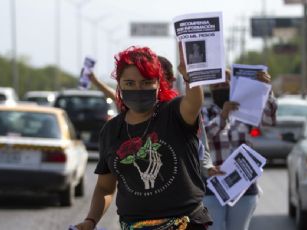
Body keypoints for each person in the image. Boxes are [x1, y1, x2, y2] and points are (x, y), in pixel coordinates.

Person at [72, 46, 212, 230]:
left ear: (158, 83)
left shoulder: (174, 113)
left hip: (185, 224)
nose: (138, 89)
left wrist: (191, 75)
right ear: (119, 85)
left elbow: (194, 102)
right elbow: (105, 188)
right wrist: (91, 220)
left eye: (146, 82)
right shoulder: (111, 130)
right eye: (129, 83)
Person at [202, 69, 277, 230]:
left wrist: (267, 90)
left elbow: (269, 122)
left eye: (225, 84)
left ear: (233, 86)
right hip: (213, 186)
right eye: (217, 85)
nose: (221, 87)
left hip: (244, 186)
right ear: (211, 88)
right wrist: (223, 115)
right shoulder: (204, 112)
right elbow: (204, 137)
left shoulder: (245, 111)